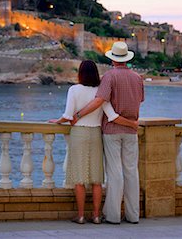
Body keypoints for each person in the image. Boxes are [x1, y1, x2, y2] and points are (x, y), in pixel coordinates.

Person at [48, 60, 138, 224]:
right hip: (96, 134)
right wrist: (132, 123)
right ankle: (96, 216)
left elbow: (68, 116)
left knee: (80, 178)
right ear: (96, 74)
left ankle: (81, 216)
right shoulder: (100, 91)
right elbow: (112, 116)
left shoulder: (74, 90)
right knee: (97, 179)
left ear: (80, 73)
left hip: (79, 133)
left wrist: (57, 121)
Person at [73, 42, 144, 225]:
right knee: (131, 172)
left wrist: (78, 115)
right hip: (131, 131)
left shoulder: (109, 77)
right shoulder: (137, 78)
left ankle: (113, 215)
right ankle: (133, 215)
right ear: (126, 58)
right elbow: (140, 100)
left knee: (115, 172)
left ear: (113, 58)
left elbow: (100, 100)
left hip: (112, 131)